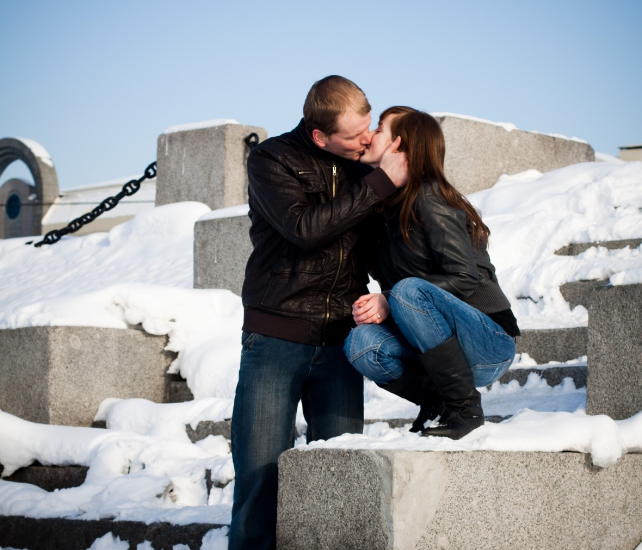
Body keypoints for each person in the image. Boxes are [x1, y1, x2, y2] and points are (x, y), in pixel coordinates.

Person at [229, 77, 408, 550]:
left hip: (339, 343)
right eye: (355, 136)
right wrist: (378, 186)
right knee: (258, 484)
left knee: (340, 480)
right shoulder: (272, 159)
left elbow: (382, 249)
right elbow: (303, 229)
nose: (367, 140)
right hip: (276, 337)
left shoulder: (362, 166)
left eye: (369, 128)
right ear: (319, 136)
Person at [343, 106, 520, 441]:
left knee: (409, 290)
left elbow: (463, 277)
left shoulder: (428, 197)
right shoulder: (384, 211)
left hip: (487, 342)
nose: (369, 137)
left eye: (379, 129)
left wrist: (389, 299)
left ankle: (465, 408)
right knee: (361, 345)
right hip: (436, 346)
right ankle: (438, 400)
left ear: (399, 146)